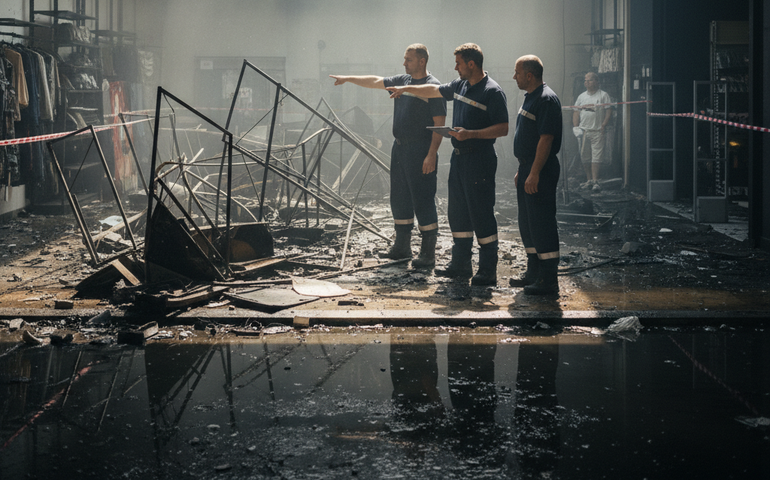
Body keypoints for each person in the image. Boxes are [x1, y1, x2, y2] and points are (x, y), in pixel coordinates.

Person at [386, 43, 509, 286]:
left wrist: (471, 134)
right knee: (458, 213)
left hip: (479, 157)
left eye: (459, 64)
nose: (455, 68)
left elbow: (503, 128)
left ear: (471, 64)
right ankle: (460, 265)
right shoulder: (460, 85)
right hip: (460, 156)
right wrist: (404, 88)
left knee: (481, 213)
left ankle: (487, 269)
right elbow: (433, 90)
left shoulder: (492, 92)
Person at [330, 44, 447, 268]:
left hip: (421, 149)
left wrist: (432, 154)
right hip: (400, 148)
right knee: (400, 197)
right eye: (404, 59)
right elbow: (376, 81)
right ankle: (402, 246)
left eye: (409, 60)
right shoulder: (403, 81)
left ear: (422, 61)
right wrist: (348, 78)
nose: (404, 64)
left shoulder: (433, 87)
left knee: (422, 198)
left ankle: (428, 253)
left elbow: (439, 124)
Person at [509, 55, 562, 295]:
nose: (514, 76)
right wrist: (523, 170)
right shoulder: (531, 98)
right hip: (528, 167)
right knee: (527, 223)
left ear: (529, 75)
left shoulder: (546, 99)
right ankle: (533, 272)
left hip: (540, 169)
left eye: (517, 72)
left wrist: (535, 173)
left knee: (541, 223)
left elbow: (546, 139)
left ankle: (548, 280)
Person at [573, 72, 612, 193]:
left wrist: (603, 125)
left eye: (589, 80)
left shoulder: (603, 95)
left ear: (596, 81)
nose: (586, 82)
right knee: (584, 156)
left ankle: (595, 181)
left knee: (596, 156)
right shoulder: (581, 97)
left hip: (597, 131)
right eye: (585, 80)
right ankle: (589, 180)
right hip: (584, 131)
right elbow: (576, 112)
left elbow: (608, 110)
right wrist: (576, 127)